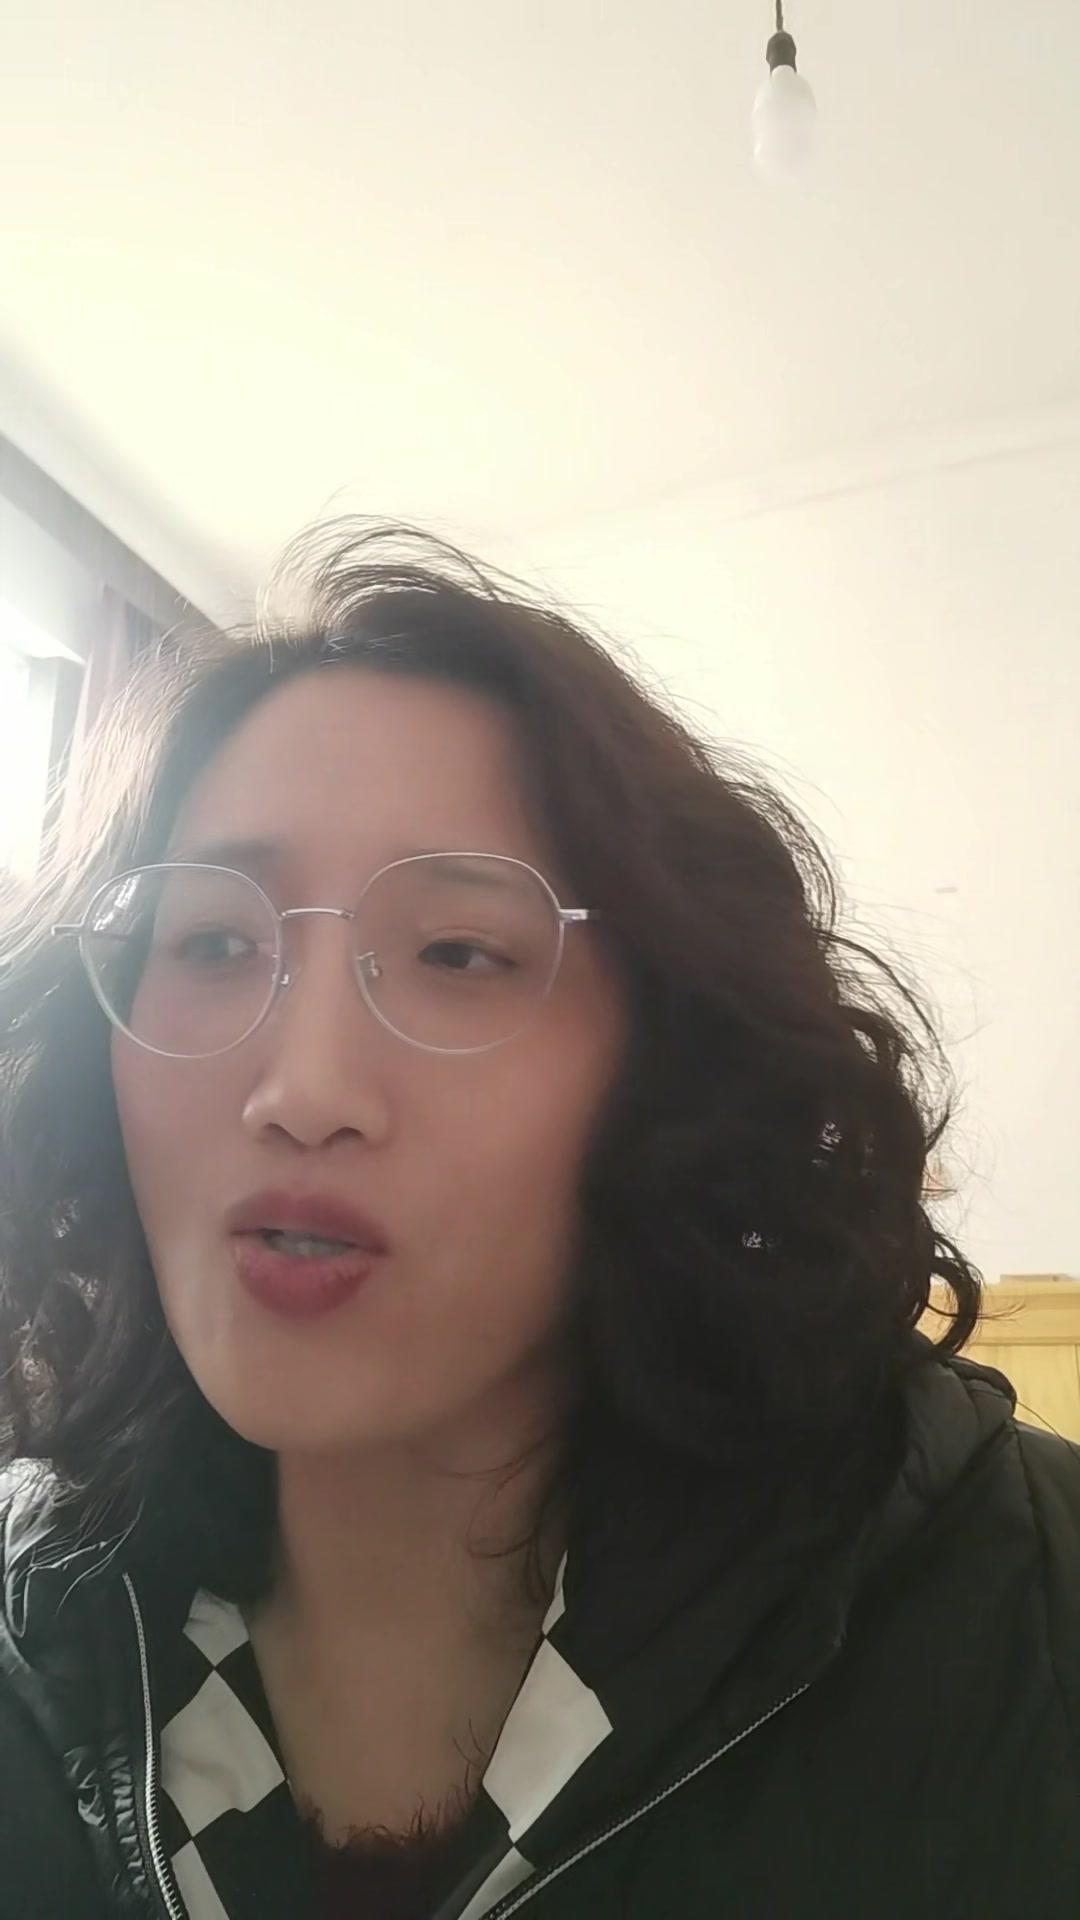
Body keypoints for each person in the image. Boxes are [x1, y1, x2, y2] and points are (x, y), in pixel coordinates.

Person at [0, 518, 1076, 1920]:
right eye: (210, 942)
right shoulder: (39, 1646)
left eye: (458, 953)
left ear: (664, 1069)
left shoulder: (1026, 1608)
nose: (303, 1090)